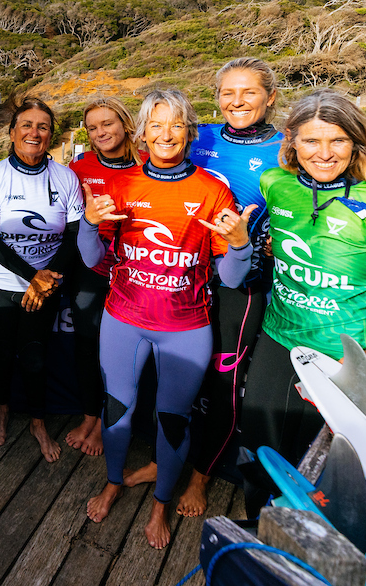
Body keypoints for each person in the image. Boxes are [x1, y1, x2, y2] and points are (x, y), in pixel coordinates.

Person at [240, 90, 366, 511]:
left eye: (337, 140)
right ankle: (259, 533)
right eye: (311, 141)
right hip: (277, 340)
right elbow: (286, 244)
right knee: (259, 454)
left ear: (356, 143)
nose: (324, 153)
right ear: (291, 141)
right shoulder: (275, 184)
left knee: (315, 476)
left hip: (342, 355)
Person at [78, 89, 254, 549]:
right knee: (117, 411)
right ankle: (113, 482)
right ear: (142, 133)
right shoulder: (123, 185)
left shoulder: (212, 191)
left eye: (176, 124)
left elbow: (231, 278)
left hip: (185, 327)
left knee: (173, 421)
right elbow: (91, 257)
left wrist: (240, 244)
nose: (166, 134)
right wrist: (89, 223)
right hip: (123, 319)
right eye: (155, 125)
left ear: (190, 132)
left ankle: (160, 505)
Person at [128, 58, 284, 515]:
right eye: (227, 93)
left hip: (241, 285)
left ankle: (201, 477)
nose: (237, 102)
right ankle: (161, 460)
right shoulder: (201, 136)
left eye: (249, 92)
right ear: (216, 98)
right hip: (184, 278)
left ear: (270, 97)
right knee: (170, 375)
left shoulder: (287, 148)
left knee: (222, 387)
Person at [0, 97, 84, 463]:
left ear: (51, 135)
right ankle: (3, 412)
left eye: (43, 127)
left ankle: (38, 423)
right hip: (2, 283)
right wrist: (32, 277)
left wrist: (46, 280)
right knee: (3, 354)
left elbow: (74, 236)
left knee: (36, 356)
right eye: (26, 125)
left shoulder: (66, 177)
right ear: (11, 132)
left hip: (47, 283)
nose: (34, 132)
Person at [64, 98, 142, 456]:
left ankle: (109, 421)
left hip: (134, 275)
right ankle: (90, 416)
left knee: (121, 355)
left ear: (125, 124)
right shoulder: (79, 167)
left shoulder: (148, 164)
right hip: (90, 270)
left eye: (107, 124)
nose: (100, 133)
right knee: (86, 348)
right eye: (92, 127)